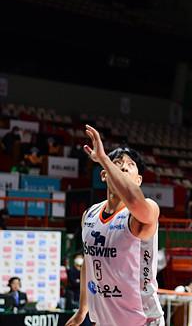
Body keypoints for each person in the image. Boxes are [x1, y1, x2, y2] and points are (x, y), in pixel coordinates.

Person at [65, 125, 163, 326]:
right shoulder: (90, 215)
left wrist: (103, 158)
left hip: (142, 321)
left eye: (130, 165)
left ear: (139, 180)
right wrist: (82, 310)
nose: (124, 167)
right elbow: (88, 261)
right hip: (104, 321)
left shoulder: (146, 210)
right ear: (104, 175)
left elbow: (134, 200)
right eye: (118, 163)